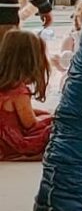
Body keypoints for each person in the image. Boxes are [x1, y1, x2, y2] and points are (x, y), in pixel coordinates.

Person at [0, 29, 53, 160]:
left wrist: (44, 113)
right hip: (12, 143)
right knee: (55, 126)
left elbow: (11, 113)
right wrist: (50, 118)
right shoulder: (18, 91)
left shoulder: (4, 85)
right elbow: (30, 123)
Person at [51, 0, 82, 82]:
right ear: (79, 20)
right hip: (73, 80)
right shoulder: (72, 39)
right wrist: (58, 64)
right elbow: (64, 66)